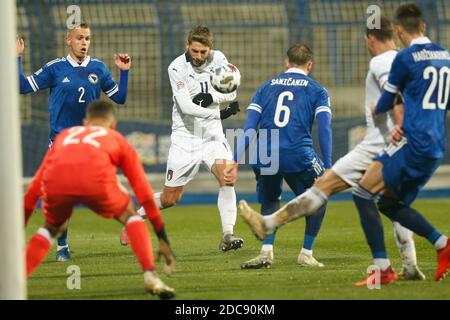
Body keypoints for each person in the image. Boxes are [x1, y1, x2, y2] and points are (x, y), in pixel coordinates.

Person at [238, 3, 450, 285]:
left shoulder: (386, 60)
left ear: (372, 38)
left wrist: (399, 122)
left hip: (380, 146)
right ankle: (414, 261)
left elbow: (395, 96)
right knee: (391, 203)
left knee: (332, 187)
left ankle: (269, 224)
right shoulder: (438, 56)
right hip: (424, 145)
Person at [24, 100, 175, 299]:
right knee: (131, 216)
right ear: (113, 124)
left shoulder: (64, 136)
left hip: (57, 183)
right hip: (96, 182)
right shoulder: (116, 138)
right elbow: (144, 193)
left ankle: (14, 281)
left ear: (86, 123)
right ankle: (150, 276)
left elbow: (33, 189)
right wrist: (162, 239)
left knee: (51, 228)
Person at [18, 21, 131, 261]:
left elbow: (120, 98)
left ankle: (131, 226)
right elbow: (22, 86)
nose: (84, 43)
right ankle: (62, 248)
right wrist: (17, 58)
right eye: (79, 38)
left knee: (107, 189)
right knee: (63, 196)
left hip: (91, 143)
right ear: (68, 40)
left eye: (87, 38)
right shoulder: (55, 68)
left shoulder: (99, 69)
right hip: (62, 143)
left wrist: (124, 71)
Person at [125, 24, 243, 252]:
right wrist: (219, 111)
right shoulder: (176, 67)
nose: (198, 56)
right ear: (187, 46)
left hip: (212, 134)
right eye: (194, 51)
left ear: (210, 49)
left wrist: (211, 96)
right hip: (185, 137)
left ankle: (228, 234)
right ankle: (136, 216)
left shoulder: (219, 59)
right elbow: (186, 106)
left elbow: (233, 90)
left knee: (228, 178)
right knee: (170, 199)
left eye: (203, 52)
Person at [233, 43, 332, 269]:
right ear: (310, 65)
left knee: (270, 199)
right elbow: (325, 128)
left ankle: (266, 252)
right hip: (298, 154)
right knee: (320, 196)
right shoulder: (317, 90)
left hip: (265, 155)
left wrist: (234, 159)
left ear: (286, 63)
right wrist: (327, 166)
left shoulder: (265, 88)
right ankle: (306, 253)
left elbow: (249, 128)